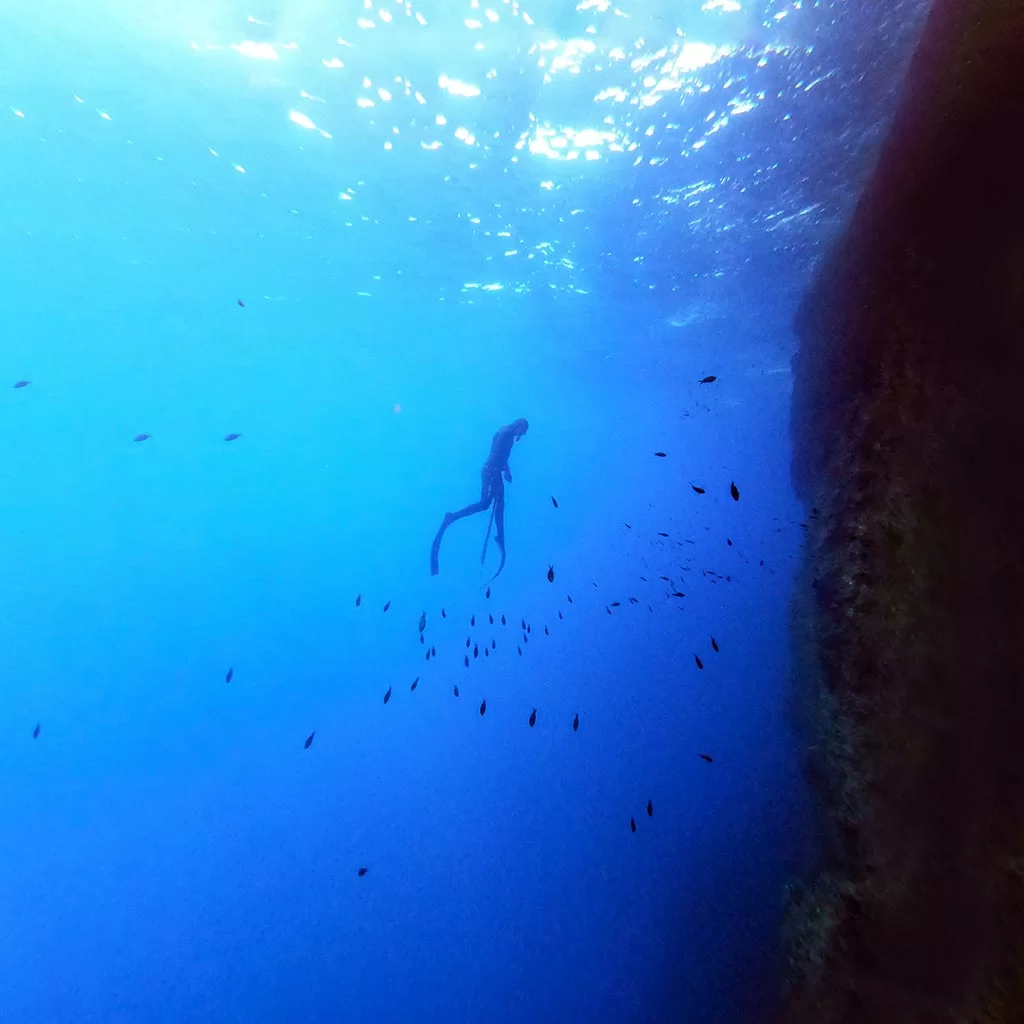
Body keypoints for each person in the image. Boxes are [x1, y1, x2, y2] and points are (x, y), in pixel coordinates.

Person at [430, 418, 529, 580]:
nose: (521, 436)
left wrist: (506, 470)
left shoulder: (506, 433)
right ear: (519, 426)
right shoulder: (506, 434)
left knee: (500, 504)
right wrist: (498, 474)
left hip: (494, 471)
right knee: (485, 504)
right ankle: (452, 517)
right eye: (522, 432)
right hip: (491, 472)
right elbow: (497, 454)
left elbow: (502, 456)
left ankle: (499, 536)